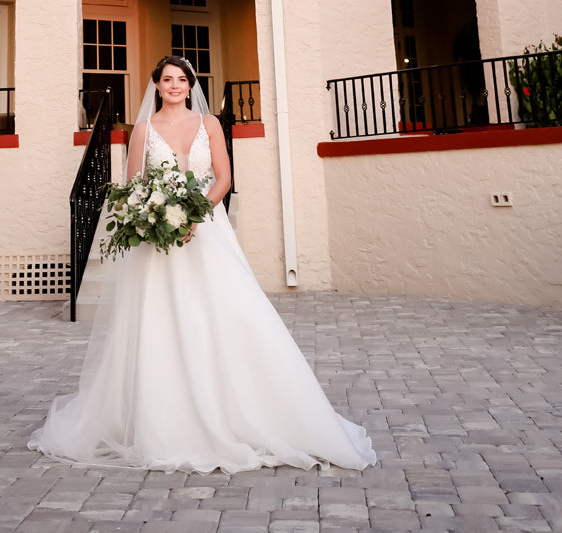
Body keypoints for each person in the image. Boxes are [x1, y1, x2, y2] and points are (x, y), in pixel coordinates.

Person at [29, 55, 376, 474]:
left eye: (183, 80)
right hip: (157, 242)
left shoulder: (209, 125)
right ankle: (162, 417)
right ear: (156, 85)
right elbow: (134, 185)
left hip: (206, 231)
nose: (176, 85)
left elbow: (223, 179)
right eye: (168, 79)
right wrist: (154, 215)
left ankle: (239, 408)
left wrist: (193, 216)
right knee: (159, 321)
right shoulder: (142, 129)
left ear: (192, 85)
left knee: (227, 314)